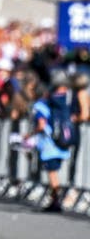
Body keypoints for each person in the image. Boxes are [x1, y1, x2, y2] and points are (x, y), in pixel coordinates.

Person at [29, 71, 72, 212]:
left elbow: (41, 125)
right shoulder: (56, 103)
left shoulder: (40, 105)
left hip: (49, 145)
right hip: (61, 143)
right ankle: (56, 199)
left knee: (53, 174)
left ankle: (57, 201)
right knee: (57, 173)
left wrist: (29, 134)